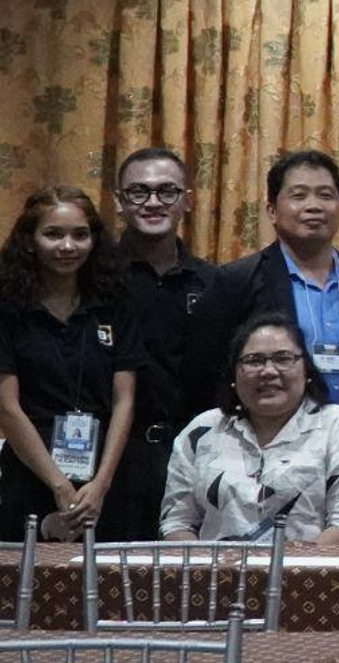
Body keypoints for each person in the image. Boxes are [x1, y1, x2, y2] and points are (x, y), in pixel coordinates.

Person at [183, 149, 339, 444]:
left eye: (325, 195)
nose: (314, 206)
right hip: (260, 456)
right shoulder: (235, 282)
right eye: (299, 196)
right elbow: (203, 377)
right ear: (272, 211)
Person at [0, 186, 145, 541]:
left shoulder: (115, 304)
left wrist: (100, 484)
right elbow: (7, 408)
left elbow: (125, 400)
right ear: (30, 240)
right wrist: (59, 484)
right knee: (25, 587)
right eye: (53, 234)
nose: (68, 246)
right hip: (31, 469)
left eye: (80, 235)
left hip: (106, 473)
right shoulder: (5, 309)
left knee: (108, 589)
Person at [160, 313, 339, 543]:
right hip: (216, 576)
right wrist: (208, 572)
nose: (268, 371)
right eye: (254, 361)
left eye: (283, 358)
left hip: (309, 575)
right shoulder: (202, 431)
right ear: (234, 374)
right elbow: (176, 521)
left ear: (307, 370)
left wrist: (284, 572)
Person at [107, 147, 214, 540]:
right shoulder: (93, 280)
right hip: (112, 462)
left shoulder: (212, 284)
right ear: (119, 201)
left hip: (192, 458)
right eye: (139, 192)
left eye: (167, 191)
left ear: (188, 200)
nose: (153, 202)